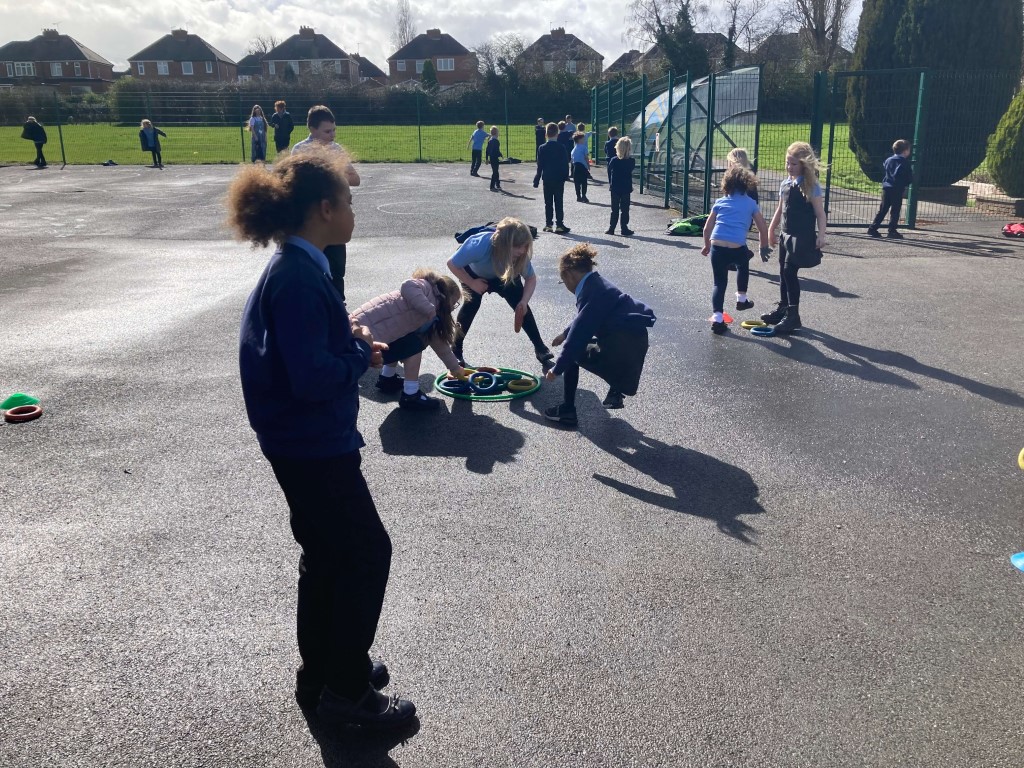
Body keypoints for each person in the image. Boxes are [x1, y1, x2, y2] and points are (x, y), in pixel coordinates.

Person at [229, 150, 416, 729]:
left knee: (328, 557)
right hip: (311, 443)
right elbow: (311, 379)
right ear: (327, 210)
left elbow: (307, 352)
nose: (355, 212)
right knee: (365, 555)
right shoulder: (298, 277)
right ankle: (346, 692)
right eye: (351, 202)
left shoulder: (301, 265)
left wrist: (351, 336)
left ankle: (325, 671)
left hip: (298, 439)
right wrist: (358, 351)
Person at [543, 244, 657, 427]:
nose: (566, 286)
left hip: (622, 347)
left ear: (569, 275)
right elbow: (586, 318)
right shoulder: (597, 283)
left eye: (563, 281)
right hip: (637, 341)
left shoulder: (590, 292)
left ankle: (567, 411)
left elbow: (577, 339)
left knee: (574, 353)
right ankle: (615, 392)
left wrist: (557, 369)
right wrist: (565, 333)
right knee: (592, 344)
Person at [446, 216, 555, 371]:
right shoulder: (480, 244)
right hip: (473, 274)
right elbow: (452, 263)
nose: (523, 251)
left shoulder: (521, 255)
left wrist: (524, 301)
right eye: (518, 247)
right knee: (471, 306)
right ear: (504, 244)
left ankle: (540, 348)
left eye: (525, 246)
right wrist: (471, 282)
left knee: (521, 307)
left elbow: (531, 278)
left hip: (504, 275)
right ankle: (456, 350)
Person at [351, 269, 469, 410]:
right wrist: (430, 310)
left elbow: (441, 346)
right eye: (454, 303)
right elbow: (408, 285)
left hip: (369, 337)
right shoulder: (427, 288)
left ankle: (387, 379)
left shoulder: (433, 315)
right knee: (415, 345)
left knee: (407, 339)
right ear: (445, 295)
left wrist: (455, 369)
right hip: (363, 336)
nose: (453, 308)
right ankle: (411, 395)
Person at [292, 105, 361, 304]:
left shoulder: (336, 150)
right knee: (310, 268)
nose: (332, 135)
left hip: (334, 218)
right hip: (310, 221)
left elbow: (355, 179)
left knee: (336, 269)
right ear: (312, 130)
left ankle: (339, 306)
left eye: (334, 130)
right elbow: (292, 184)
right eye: (327, 131)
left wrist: (336, 176)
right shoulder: (300, 150)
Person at [764, 141, 828, 335]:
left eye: (793, 164)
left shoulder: (811, 187)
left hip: (801, 236)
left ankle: (793, 316)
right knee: (783, 272)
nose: (789, 167)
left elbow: (820, 214)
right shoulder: (785, 183)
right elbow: (779, 209)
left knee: (789, 272)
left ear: (804, 165)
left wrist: (822, 235)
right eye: (787, 163)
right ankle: (784, 308)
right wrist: (771, 230)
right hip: (785, 234)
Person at [701, 166, 771, 335]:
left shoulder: (720, 202)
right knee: (743, 264)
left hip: (717, 245)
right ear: (748, 184)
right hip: (737, 246)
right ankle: (742, 298)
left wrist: (706, 245)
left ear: (726, 185)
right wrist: (763, 247)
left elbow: (706, 228)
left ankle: (717, 318)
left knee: (719, 282)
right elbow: (762, 227)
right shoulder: (750, 203)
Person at [867, 139, 913, 239]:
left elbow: (885, 169)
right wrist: (907, 182)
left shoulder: (889, 160)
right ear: (905, 151)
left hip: (886, 187)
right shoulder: (904, 162)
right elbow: (908, 176)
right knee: (895, 210)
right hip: (897, 188)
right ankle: (892, 230)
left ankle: (872, 228)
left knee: (883, 209)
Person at [534, 122, 571, 235]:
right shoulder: (561, 147)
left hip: (547, 178)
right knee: (559, 201)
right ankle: (559, 224)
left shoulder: (541, 148)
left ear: (546, 134)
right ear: (557, 134)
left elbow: (540, 165)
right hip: (559, 178)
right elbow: (565, 163)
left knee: (548, 202)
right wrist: (566, 176)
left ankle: (548, 224)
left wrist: (537, 178)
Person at [571, 131, 590, 203]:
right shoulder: (584, 147)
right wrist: (588, 165)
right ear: (579, 139)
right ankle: (584, 195)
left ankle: (578, 196)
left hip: (576, 166)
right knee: (584, 182)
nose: (584, 139)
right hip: (583, 166)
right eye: (583, 138)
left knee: (577, 182)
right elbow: (586, 157)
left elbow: (572, 160)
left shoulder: (573, 149)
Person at [486, 125, 503, 191]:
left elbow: (487, 150)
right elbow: (496, 150)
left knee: (496, 171)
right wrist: (500, 154)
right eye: (498, 132)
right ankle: (492, 186)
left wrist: (487, 158)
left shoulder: (490, 140)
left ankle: (497, 184)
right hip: (495, 158)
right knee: (495, 172)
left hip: (491, 158)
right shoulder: (496, 141)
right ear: (496, 133)